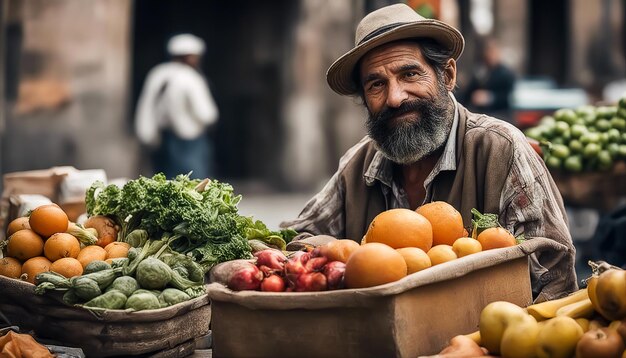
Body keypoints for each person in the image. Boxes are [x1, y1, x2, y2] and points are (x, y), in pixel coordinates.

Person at [281, 3, 577, 301]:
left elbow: (555, 276)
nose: (395, 98)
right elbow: (292, 241)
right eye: (376, 84)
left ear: (447, 76)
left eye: (409, 74)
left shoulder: (500, 149)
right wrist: (346, 255)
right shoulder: (358, 164)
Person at [135, 33, 219, 180]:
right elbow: (206, 114)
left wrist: (146, 133)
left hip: (162, 138)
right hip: (189, 141)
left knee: (167, 183)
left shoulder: (157, 73)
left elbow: (146, 106)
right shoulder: (190, 77)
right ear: (190, 56)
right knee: (194, 184)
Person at [459, 37, 516, 122]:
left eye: (493, 53)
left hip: (501, 115)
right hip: (481, 115)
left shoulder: (506, 74)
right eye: (488, 52)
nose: (491, 56)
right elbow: (468, 93)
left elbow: (508, 98)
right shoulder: (480, 71)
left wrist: (489, 98)